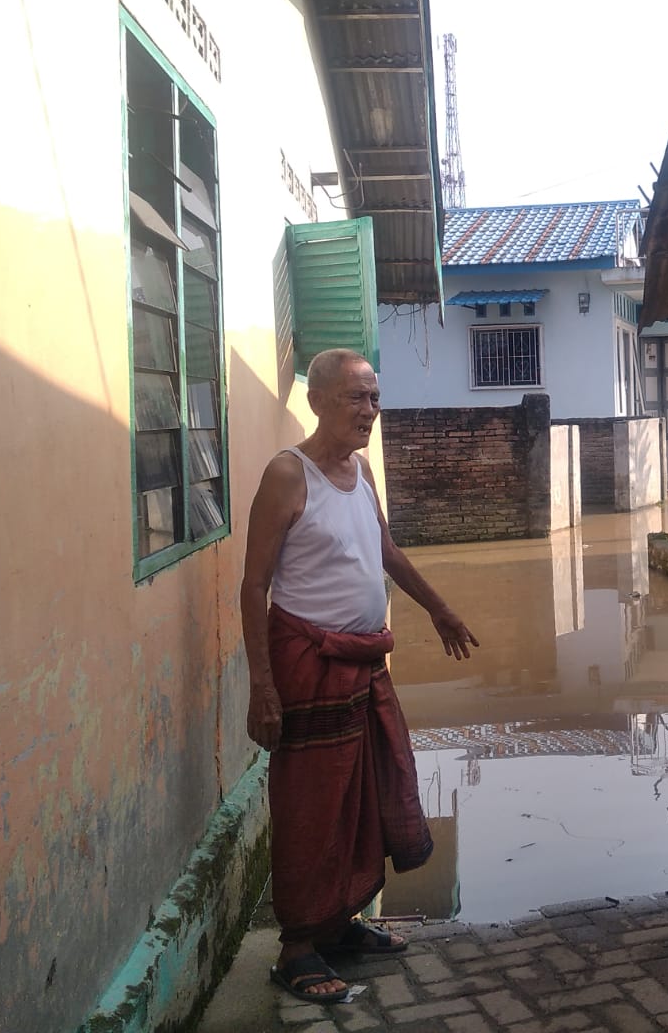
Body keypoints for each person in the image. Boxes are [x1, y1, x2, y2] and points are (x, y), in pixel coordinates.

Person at [241, 348, 478, 1004]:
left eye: (374, 398)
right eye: (357, 398)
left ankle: (341, 924)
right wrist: (261, 686)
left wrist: (439, 607)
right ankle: (296, 946)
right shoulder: (288, 475)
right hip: (307, 666)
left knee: (364, 795)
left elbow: (383, 548)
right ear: (317, 401)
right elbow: (254, 583)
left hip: (364, 660)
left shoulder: (362, 469)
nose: (370, 412)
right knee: (312, 806)